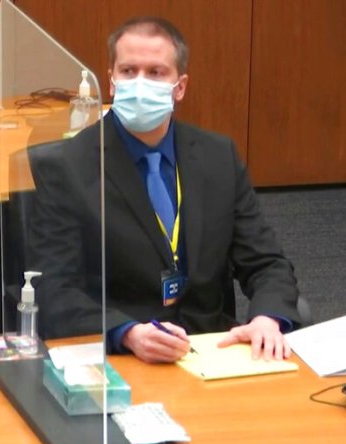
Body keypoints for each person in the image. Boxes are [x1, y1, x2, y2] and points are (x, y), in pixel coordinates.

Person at [28, 17, 301, 364]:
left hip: (213, 351)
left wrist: (267, 317)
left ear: (180, 86)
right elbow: (53, 288)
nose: (140, 83)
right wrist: (125, 332)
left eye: (156, 73)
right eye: (128, 71)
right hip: (125, 355)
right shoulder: (69, 166)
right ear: (111, 81)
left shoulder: (219, 156)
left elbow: (266, 262)